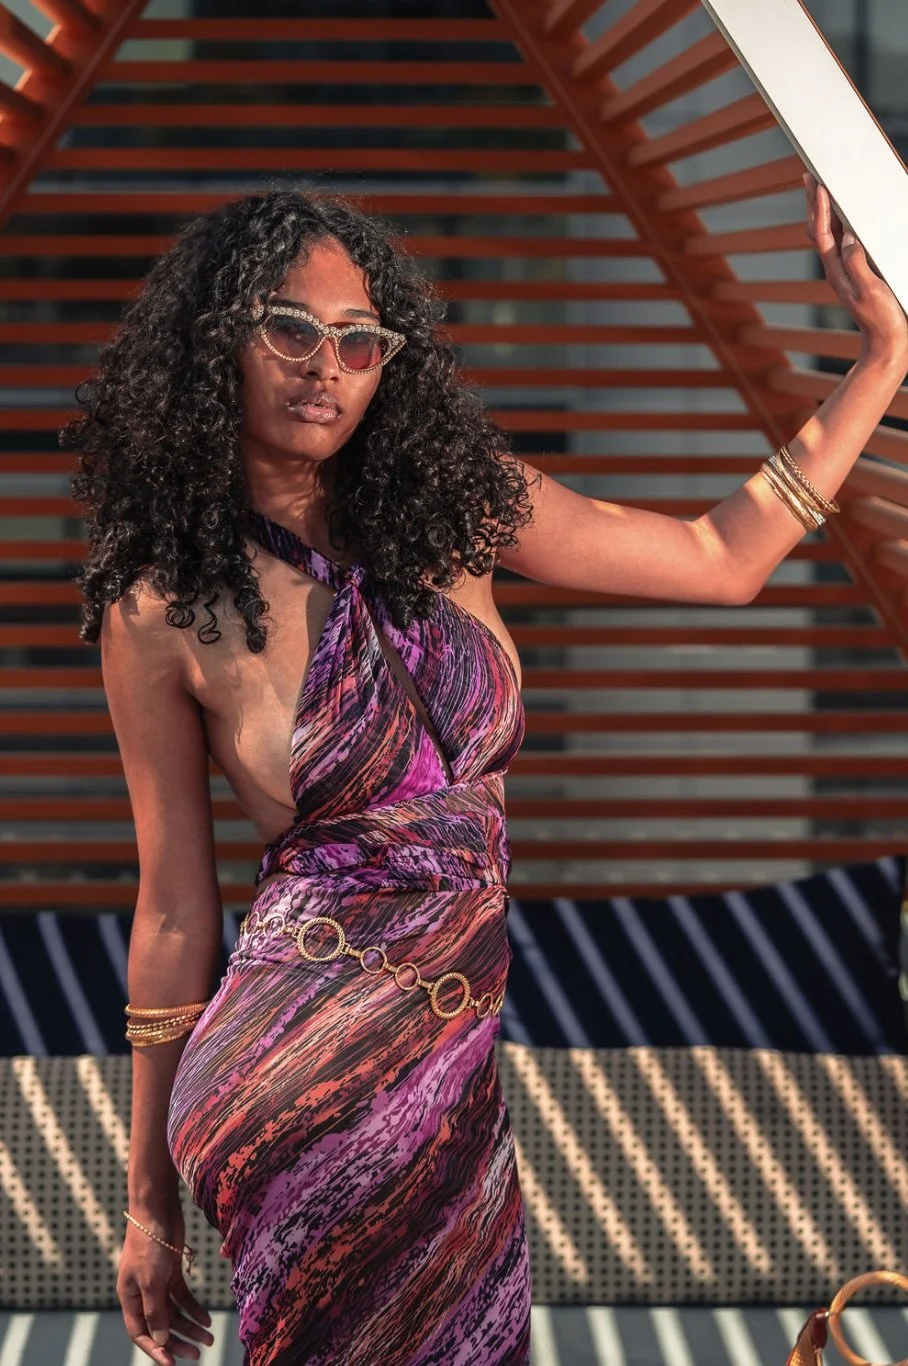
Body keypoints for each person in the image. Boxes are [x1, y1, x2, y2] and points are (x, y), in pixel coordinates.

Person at [66, 176, 906, 1366]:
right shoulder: (160, 603)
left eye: (359, 340)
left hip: (451, 1075)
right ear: (220, 342)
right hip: (293, 1077)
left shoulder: (461, 512)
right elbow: (169, 909)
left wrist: (880, 357)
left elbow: (721, 556)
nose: (325, 366)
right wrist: (146, 1209)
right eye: (290, 329)